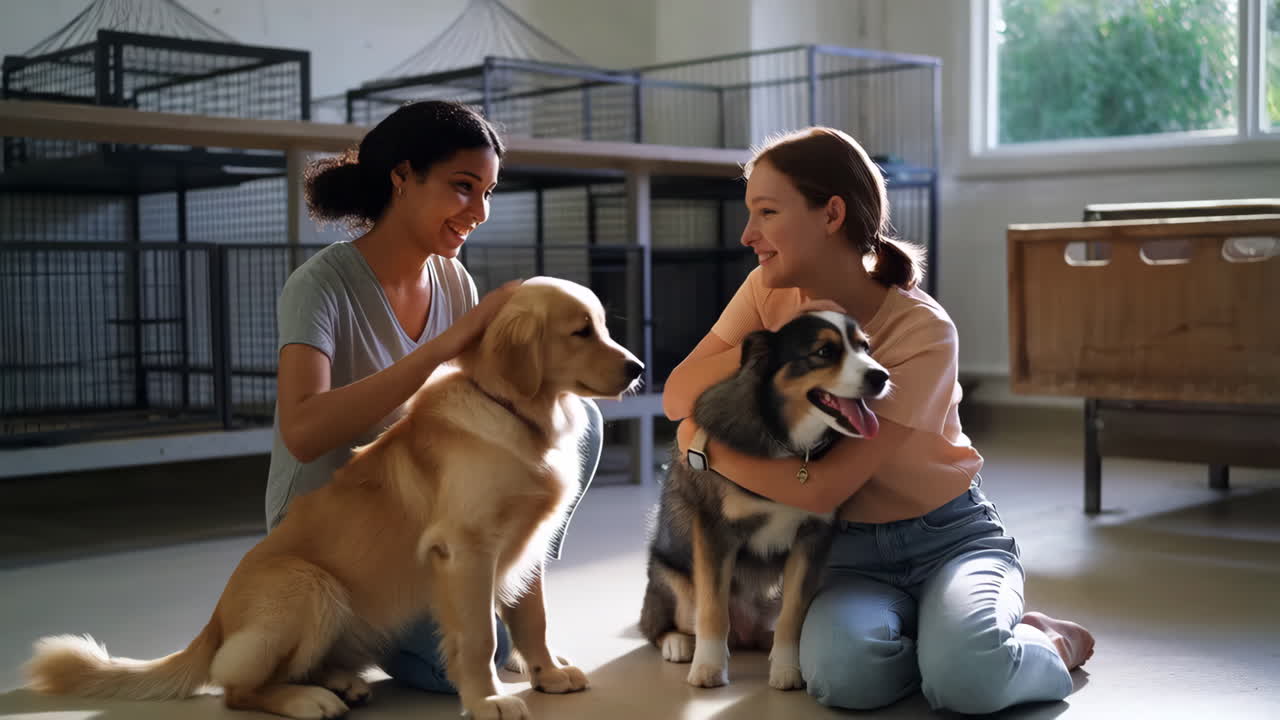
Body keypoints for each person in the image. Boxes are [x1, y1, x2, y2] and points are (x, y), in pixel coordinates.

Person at [662, 127, 1094, 714]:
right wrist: (767, 348)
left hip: (946, 537)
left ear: (831, 214)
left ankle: (1043, 639)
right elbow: (679, 391)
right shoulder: (768, 292)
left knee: (968, 682)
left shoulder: (923, 330)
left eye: (767, 212)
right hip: (844, 552)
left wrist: (701, 448)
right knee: (844, 680)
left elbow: (829, 485)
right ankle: (948, 642)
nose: (748, 235)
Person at [264, 99, 603, 693]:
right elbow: (303, 430)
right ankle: (359, 626)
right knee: (464, 669)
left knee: (577, 417)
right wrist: (446, 345)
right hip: (345, 535)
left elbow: (498, 427)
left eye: (489, 192)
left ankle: (498, 583)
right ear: (402, 176)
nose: (479, 211)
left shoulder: (453, 278)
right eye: (463, 187)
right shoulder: (320, 284)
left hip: (431, 503)